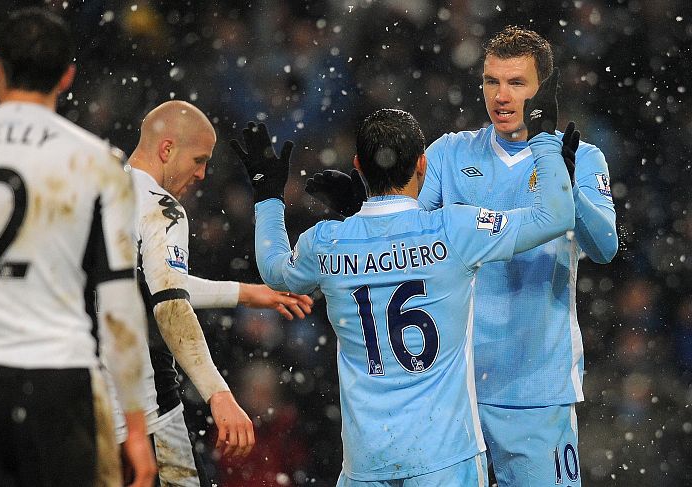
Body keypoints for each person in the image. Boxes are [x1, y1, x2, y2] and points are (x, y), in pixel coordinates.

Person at [305, 26, 617, 486]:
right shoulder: (450, 154)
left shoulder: (581, 157)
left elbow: (605, 247)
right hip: (452, 392)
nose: (501, 96)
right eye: (492, 81)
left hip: (536, 384)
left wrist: (567, 184)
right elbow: (403, 231)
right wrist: (361, 210)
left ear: (544, 90)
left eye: (516, 83)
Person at [230, 71, 575, 484]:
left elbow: (273, 271)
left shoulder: (327, 242)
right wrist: (544, 141)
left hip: (366, 462)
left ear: (358, 167)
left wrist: (268, 195)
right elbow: (554, 217)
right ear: (422, 164)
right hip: (445, 458)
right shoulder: (453, 230)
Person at [0, 8, 155, 487]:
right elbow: (119, 308)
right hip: (61, 378)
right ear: (67, 76)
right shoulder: (100, 163)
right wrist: (136, 427)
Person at [110, 100, 314, 486]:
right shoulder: (161, 208)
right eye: (199, 160)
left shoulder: (98, 192)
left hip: (86, 400)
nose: (202, 174)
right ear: (167, 149)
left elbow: (149, 284)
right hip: (146, 406)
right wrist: (219, 394)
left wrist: (246, 293)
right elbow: (170, 305)